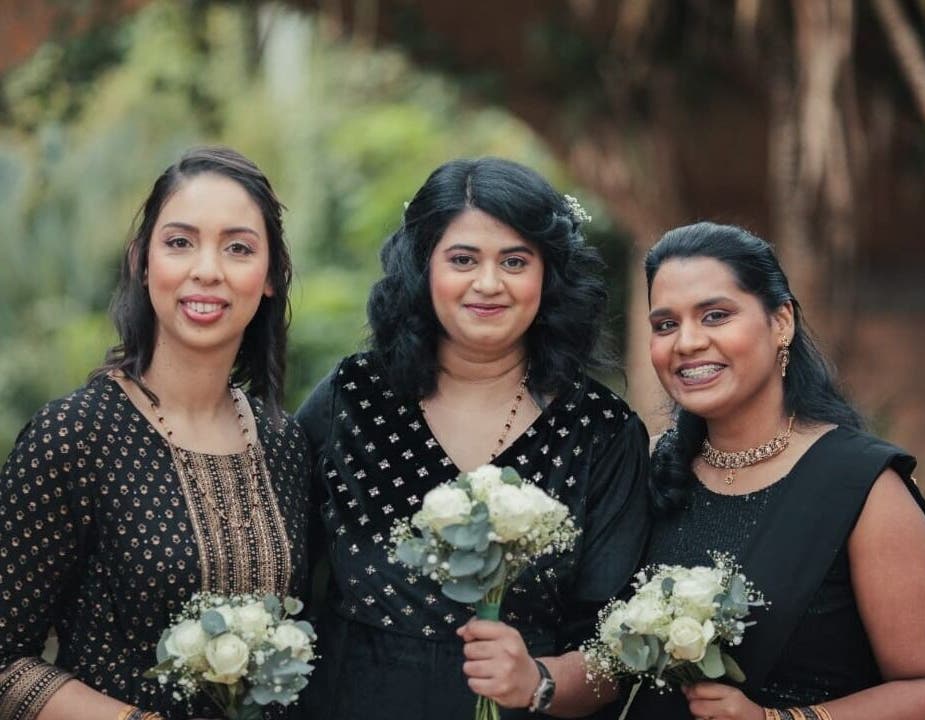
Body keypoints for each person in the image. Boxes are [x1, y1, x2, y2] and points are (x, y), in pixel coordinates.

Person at [295, 157, 650, 719]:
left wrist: (539, 680)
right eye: (463, 259)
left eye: (515, 261)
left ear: (548, 275)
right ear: (423, 267)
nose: (489, 283)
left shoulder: (601, 432)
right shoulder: (352, 399)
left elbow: (620, 650)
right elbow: (277, 570)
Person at [0, 147, 312, 720]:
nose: (207, 270)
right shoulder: (75, 436)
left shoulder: (284, 444)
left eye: (238, 248)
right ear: (143, 262)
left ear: (270, 277)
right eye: (180, 242)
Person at [632, 222, 925, 719]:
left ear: (781, 322)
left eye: (716, 315)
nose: (686, 342)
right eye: (665, 325)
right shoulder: (649, 469)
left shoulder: (860, 486)